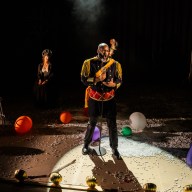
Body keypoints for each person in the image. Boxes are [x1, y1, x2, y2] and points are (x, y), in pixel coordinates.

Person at [80, 41, 123, 160]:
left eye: (107, 50)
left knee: (112, 125)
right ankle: (85, 145)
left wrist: (113, 84)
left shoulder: (116, 64)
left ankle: (114, 149)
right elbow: (83, 79)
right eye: (103, 50)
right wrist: (97, 78)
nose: (105, 52)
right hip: (95, 99)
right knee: (92, 123)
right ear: (98, 51)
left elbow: (119, 80)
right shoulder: (89, 63)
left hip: (110, 99)